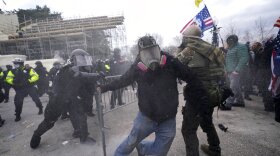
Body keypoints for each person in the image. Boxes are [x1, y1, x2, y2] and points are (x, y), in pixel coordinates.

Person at [100, 35, 209, 156]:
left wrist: (201, 97)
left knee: (159, 153)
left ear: (158, 48)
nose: (151, 56)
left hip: (168, 119)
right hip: (146, 117)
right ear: (140, 53)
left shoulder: (170, 61)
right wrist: (104, 88)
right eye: (146, 53)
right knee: (130, 143)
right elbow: (123, 80)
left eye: (153, 50)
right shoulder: (138, 66)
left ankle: (142, 148)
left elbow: (191, 76)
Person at [30, 49, 103, 149]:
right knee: (49, 122)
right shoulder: (68, 69)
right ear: (74, 60)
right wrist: (96, 75)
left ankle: (83, 137)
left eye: (85, 59)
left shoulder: (82, 70)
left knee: (80, 116)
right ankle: (36, 135)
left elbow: (85, 83)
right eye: (81, 59)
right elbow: (80, 76)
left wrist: (96, 82)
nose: (84, 62)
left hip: (71, 98)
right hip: (58, 100)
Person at [176, 25, 223, 156]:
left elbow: (177, 67)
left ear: (188, 37)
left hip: (198, 95)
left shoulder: (190, 50)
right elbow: (223, 73)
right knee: (206, 120)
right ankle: (215, 149)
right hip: (214, 92)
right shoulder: (212, 48)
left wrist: (179, 49)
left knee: (188, 130)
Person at [224, 35, 249, 109]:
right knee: (236, 87)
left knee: (233, 87)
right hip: (230, 71)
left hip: (236, 71)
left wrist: (237, 69)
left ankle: (228, 104)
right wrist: (226, 70)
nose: (229, 41)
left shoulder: (241, 46)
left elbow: (244, 58)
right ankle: (240, 101)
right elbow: (228, 60)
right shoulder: (230, 48)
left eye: (230, 40)